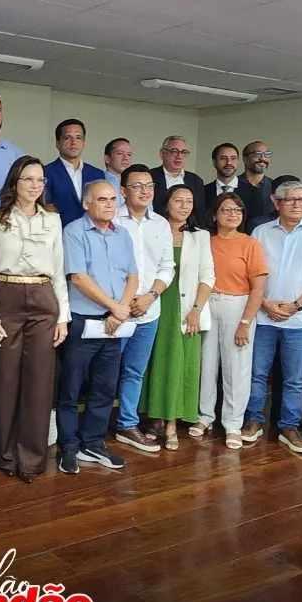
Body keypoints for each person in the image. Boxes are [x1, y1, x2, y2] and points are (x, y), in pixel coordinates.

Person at [0, 157, 69, 484]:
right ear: (14, 183)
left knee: (39, 383)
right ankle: (5, 455)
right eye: (28, 179)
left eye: (40, 180)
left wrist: (63, 315)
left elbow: (60, 270)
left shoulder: (53, 220)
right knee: (5, 381)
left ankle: (32, 460)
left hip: (43, 298)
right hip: (6, 296)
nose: (35, 186)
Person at [55, 180, 138, 474]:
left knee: (105, 388)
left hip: (115, 324)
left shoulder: (123, 235)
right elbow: (78, 278)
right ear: (87, 203)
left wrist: (121, 309)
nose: (109, 205)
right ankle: (69, 446)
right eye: (102, 199)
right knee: (71, 387)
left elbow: (132, 277)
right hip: (84, 322)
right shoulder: (74, 232)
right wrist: (114, 307)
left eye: (113, 199)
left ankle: (93, 442)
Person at [246, 181, 302, 456]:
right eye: (291, 199)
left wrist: (296, 305)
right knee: (256, 373)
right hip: (263, 316)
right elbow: (250, 274)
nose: (297, 204)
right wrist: (266, 304)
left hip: (300, 320)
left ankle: (289, 427)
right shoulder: (260, 232)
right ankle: (253, 421)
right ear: (277, 202)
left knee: (295, 378)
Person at [137, 183, 214, 450]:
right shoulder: (153, 230)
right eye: (178, 200)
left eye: (189, 201)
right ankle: (155, 419)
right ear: (166, 202)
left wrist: (196, 310)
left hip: (186, 311)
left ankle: (171, 424)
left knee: (180, 366)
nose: (184, 206)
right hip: (156, 304)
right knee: (155, 363)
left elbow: (208, 277)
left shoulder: (200, 236)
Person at [196, 192, 268, 448]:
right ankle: (205, 416)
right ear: (214, 215)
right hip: (207, 304)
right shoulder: (205, 241)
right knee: (206, 363)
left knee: (236, 368)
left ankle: (233, 424)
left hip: (238, 306)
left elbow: (258, 288)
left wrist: (245, 322)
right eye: (226, 210)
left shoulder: (249, 244)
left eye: (238, 210)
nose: (232, 214)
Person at [111, 164, 175, 453]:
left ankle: (126, 423)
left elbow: (167, 266)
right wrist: (124, 303)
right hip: (117, 310)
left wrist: (150, 295)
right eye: (137, 186)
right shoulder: (111, 218)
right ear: (123, 190)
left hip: (149, 310)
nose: (144, 191)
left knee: (135, 372)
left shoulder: (161, 223)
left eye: (148, 185)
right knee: (107, 370)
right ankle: (96, 427)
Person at [42, 119, 106, 226]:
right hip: (59, 234)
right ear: (58, 143)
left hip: (92, 235)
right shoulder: (46, 172)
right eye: (67, 138)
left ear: (84, 143)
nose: (74, 142)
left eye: (78, 137)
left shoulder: (97, 174)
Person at [151, 134, 208, 221]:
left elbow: (200, 213)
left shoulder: (195, 180)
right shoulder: (150, 177)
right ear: (162, 153)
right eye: (174, 151)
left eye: (184, 152)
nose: (179, 156)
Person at [239, 140, 275, 231]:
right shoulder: (233, 185)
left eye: (267, 154)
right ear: (245, 159)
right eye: (257, 154)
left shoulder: (275, 187)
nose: (263, 158)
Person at [103, 138, 134, 206]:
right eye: (120, 153)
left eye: (129, 154)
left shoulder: (136, 183)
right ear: (107, 159)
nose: (126, 158)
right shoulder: (99, 182)